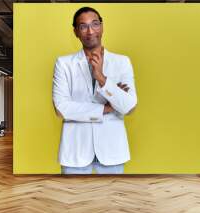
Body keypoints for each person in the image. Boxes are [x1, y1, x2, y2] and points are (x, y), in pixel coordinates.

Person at [52, 7, 137, 174]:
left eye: (95, 24)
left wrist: (102, 79)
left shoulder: (122, 62)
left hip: (112, 151)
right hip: (75, 151)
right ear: (76, 31)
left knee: (111, 200)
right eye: (83, 26)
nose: (90, 31)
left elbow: (129, 106)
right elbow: (61, 108)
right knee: (73, 200)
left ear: (102, 26)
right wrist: (107, 108)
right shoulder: (64, 64)